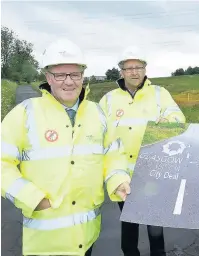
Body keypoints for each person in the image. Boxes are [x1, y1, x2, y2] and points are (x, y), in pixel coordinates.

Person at [1, 38, 131, 256]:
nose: (69, 82)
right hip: (45, 242)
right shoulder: (25, 113)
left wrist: (118, 180)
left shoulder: (97, 113)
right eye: (60, 75)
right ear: (48, 77)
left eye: (75, 74)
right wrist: (32, 198)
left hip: (87, 236)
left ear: (83, 75)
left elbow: (113, 155)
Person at [99, 46, 186, 256]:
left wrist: (168, 122)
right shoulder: (109, 100)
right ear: (121, 71)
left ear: (145, 69)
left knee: (155, 226)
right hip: (122, 176)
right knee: (129, 226)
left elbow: (178, 118)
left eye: (138, 67)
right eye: (128, 68)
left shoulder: (159, 94)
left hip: (153, 174)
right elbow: (98, 132)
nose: (134, 72)